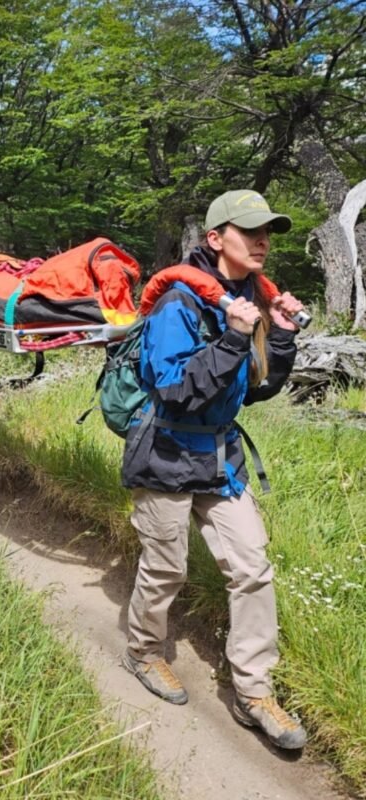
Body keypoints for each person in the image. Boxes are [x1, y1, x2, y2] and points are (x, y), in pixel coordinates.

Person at [120, 190, 307, 750]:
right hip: (167, 456)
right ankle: (144, 652)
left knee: (253, 569)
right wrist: (230, 336)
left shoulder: (250, 298)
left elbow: (254, 389)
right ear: (214, 238)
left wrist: (282, 336)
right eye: (249, 230)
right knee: (166, 569)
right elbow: (174, 388)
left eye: (267, 230)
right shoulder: (178, 302)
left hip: (220, 459)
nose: (262, 240)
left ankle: (254, 692)